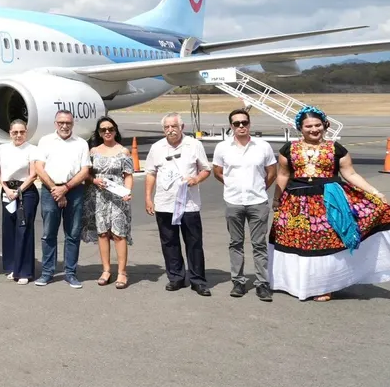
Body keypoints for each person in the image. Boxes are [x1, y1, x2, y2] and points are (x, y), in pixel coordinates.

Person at [269, 105, 390, 301]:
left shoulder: (336, 149)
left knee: (325, 242)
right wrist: (276, 198)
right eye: (308, 126)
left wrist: (375, 193)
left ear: (325, 125)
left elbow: (350, 174)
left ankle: (325, 286)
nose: (314, 129)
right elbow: (283, 175)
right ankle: (296, 282)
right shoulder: (289, 149)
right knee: (297, 241)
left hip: (328, 201)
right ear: (300, 127)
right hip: (295, 202)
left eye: (318, 125)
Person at [212, 109, 277, 301]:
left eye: (244, 122)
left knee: (259, 244)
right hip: (234, 202)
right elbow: (217, 171)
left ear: (249, 124)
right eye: (237, 123)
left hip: (257, 201)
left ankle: (262, 283)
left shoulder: (263, 146)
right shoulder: (223, 148)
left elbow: (271, 171)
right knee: (235, 243)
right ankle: (238, 281)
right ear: (231, 126)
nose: (241, 126)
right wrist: (232, 185)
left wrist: (261, 188)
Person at [144, 112, 212, 297]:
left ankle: (198, 280)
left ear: (181, 127)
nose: (170, 130)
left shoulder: (194, 145)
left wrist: (196, 179)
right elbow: (150, 173)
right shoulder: (157, 148)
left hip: (188, 204)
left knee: (194, 242)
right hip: (165, 204)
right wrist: (148, 198)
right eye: (166, 127)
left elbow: (206, 169)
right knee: (169, 242)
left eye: (174, 126)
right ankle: (176, 277)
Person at [34, 109, 92, 288]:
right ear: (55, 124)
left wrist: (65, 189)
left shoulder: (81, 143)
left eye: (68, 123)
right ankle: (47, 272)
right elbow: (39, 167)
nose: (64, 126)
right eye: (61, 123)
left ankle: (70, 273)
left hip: (73, 190)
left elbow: (85, 171)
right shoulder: (45, 141)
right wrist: (55, 189)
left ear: (73, 124)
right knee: (48, 234)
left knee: (73, 234)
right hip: (50, 190)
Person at [82, 116, 135, 290]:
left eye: (110, 129)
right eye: (103, 129)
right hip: (98, 196)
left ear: (115, 130)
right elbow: (86, 174)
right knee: (102, 233)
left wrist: (127, 192)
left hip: (118, 197)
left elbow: (128, 175)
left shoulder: (124, 152)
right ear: (98, 132)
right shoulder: (93, 152)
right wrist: (94, 180)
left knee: (119, 234)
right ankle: (106, 270)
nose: (107, 132)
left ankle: (122, 272)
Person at [0, 119, 39, 285]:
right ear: (10, 133)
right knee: (9, 229)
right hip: (7, 192)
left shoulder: (32, 149)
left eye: (21, 132)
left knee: (24, 229)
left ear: (26, 132)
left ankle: (25, 271)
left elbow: (33, 174)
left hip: (26, 192)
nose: (18, 135)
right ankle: (12, 266)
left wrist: (19, 190)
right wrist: (6, 189)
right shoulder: (1, 149)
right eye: (15, 132)